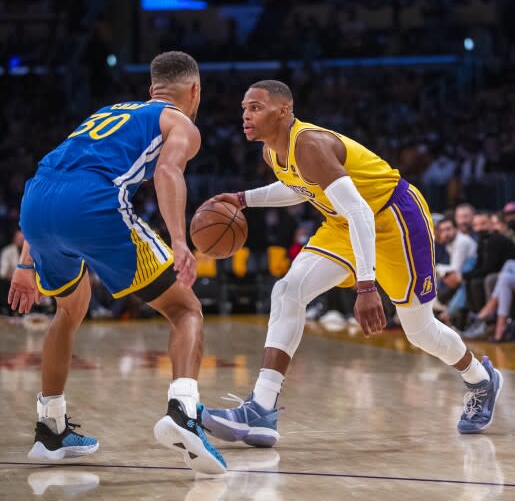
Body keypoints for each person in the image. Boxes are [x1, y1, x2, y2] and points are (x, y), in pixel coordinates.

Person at [201, 80, 503, 447]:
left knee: (420, 331)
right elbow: (301, 188)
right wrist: (242, 198)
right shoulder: (271, 152)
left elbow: (360, 210)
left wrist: (366, 286)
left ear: (283, 111)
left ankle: (480, 378)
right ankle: (261, 410)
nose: (245, 115)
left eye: (255, 107)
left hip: (394, 219)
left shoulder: (309, 144)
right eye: (244, 109)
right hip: (344, 224)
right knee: (288, 291)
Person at [8, 51, 226, 474]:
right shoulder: (180, 123)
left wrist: (25, 260)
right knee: (185, 309)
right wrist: (179, 241)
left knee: (69, 309)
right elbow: (167, 173)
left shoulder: (107, 113)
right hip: (92, 203)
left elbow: (52, 172)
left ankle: (50, 429)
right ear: (195, 90)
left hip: (36, 203)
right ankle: (184, 412)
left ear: (151, 90)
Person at [435, 217, 477, 326]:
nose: (445, 233)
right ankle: (446, 313)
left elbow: (455, 268)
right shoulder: (449, 243)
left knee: (457, 281)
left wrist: (436, 269)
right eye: (442, 230)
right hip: (464, 272)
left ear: (456, 229)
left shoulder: (461, 242)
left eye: (448, 229)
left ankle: (448, 314)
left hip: (473, 271)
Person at [0, 229, 24, 315]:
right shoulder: (7, 251)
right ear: (14, 239)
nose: (22, 241)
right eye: (19, 239)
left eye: (23, 239)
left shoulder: (30, 252)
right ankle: (9, 309)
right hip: (10, 282)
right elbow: (3, 272)